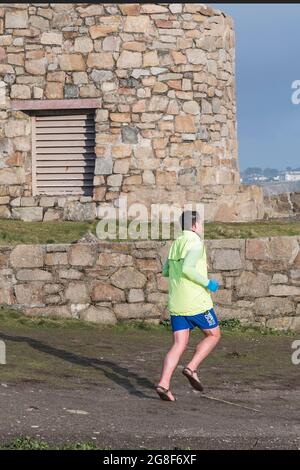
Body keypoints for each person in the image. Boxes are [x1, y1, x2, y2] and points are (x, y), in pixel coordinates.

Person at [155, 210, 221, 402]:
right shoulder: (195, 243)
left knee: (179, 344)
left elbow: (166, 271)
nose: (201, 227)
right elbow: (187, 269)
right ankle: (191, 368)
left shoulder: (176, 243)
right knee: (214, 335)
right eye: (200, 223)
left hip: (177, 303)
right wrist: (208, 283)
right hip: (196, 303)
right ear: (194, 225)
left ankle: (164, 384)